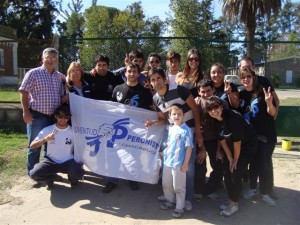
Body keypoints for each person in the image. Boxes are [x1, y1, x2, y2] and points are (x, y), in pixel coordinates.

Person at [102, 63, 166, 193]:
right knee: (115, 154)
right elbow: (112, 108)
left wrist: (160, 119)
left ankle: (132, 178)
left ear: (138, 74)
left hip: (136, 130)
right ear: (125, 73)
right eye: (129, 71)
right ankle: (112, 180)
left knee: (134, 155)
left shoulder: (144, 91)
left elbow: (152, 108)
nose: (131, 74)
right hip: (118, 128)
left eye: (134, 71)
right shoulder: (117, 89)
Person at [148, 67, 203, 212]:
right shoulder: (155, 98)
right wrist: (152, 123)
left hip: (188, 132)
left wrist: (198, 132)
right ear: (150, 83)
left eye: (158, 78)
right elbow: (163, 119)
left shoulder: (180, 90)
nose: (156, 82)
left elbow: (196, 110)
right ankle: (170, 197)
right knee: (171, 167)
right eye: (153, 79)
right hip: (173, 135)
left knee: (188, 169)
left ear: (165, 78)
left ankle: (188, 199)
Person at [205, 96, 257, 217]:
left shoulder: (232, 117)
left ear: (221, 106)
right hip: (232, 146)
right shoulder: (213, 120)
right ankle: (231, 200)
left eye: (216, 107)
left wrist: (235, 159)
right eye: (210, 109)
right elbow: (222, 140)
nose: (213, 111)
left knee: (235, 171)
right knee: (227, 170)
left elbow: (237, 141)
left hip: (247, 146)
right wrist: (229, 158)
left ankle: (234, 204)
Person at [19, 47, 66, 178]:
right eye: (48, 58)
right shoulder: (33, 73)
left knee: (50, 147)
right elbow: (23, 93)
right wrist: (26, 112)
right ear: (42, 59)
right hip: (37, 116)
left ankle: (48, 173)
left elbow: (68, 85)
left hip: (53, 118)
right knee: (34, 146)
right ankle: (33, 174)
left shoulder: (59, 77)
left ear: (57, 60)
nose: (50, 60)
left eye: (53, 58)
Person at [239, 56, 279, 197]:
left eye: (249, 75)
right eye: (243, 75)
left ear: (254, 74)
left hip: (266, 134)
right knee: (254, 163)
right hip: (251, 136)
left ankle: (266, 192)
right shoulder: (241, 93)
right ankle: (252, 188)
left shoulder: (264, 89)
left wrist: (269, 104)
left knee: (264, 164)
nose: (246, 78)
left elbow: (273, 109)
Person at [29, 105, 84, 190]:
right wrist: (45, 139)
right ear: (55, 116)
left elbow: (81, 147)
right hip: (51, 160)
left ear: (69, 118)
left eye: (66, 117)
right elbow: (32, 146)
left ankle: (73, 180)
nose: (63, 120)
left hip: (68, 161)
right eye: (60, 116)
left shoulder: (73, 131)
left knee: (79, 172)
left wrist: (81, 161)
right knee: (34, 174)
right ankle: (49, 178)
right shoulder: (48, 129)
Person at [194, 79, 227, 201]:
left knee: (219, 165)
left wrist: (219, 149)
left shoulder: (220, 104)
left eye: (208, 91)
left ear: (213, 90)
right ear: (198, 92)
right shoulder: (196, 104)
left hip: (216, 139)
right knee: (200, 165)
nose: (206, 94)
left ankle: (209, 190)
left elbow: (222, 129)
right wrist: (202, 148)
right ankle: (198, 190)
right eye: (203, 91)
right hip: (201, 138)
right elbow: (197, 127)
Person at [160, 104, 193, 218]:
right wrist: (164, 154)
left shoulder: (186, 130)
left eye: (179, 114)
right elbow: (169, 143)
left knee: (178, 186)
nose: (177, 116)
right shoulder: (171, 128)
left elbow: (189, 148)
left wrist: (185, 164)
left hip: (179, 165)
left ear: (184, 116)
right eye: (174, 114)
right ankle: (170, 201)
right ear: (170, 116)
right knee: (166, 183)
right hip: (167, 162)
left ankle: (180, 207)